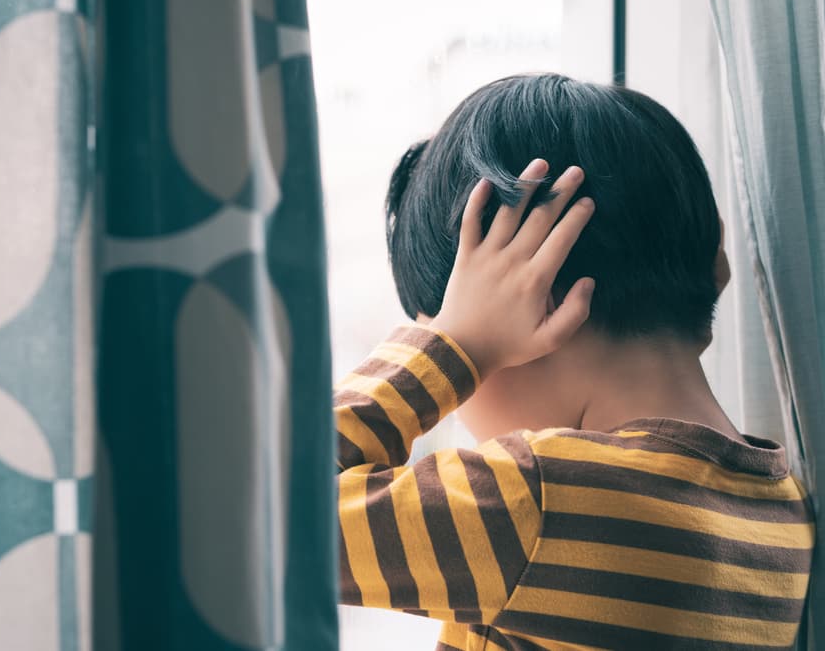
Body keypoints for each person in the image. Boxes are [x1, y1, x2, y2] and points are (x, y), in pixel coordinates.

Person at [335, 73, 815, 650]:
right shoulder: (780, 509)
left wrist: (456, 348)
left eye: (441, 320)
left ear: (537, 308)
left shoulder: (531, 502)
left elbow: (266, 518)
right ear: (715, 262)